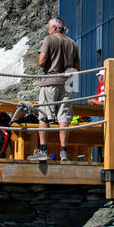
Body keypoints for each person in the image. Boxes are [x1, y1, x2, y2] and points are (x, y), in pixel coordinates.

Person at [30, 16, 80, 162]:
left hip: (50, 81)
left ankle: (42, 150)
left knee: (44, 115)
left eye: (49, 27)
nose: (48, 30)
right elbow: (78, 68)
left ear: (53, 28)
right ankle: (64, 152)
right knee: (64, 117)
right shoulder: (73, 43)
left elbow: (41, 62)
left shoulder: (49, 39)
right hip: (68, 83)